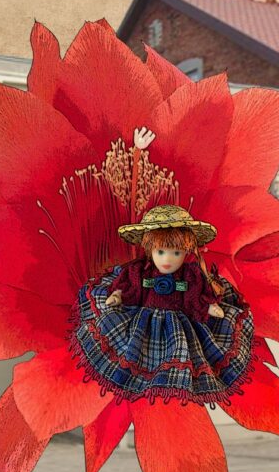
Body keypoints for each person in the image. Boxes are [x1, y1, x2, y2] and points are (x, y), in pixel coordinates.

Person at [71, 129, 256, 406]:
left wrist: (209, 306)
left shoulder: (192, 275)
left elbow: (195, 297)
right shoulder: (136, 272)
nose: (167, 258)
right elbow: (128, 287)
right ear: (148, 248)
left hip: (176, 322)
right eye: (160, 250)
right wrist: (117, 295)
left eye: (176, 250)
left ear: (187, 250)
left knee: (178, 357)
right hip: (143, 317)